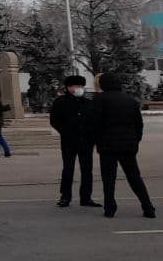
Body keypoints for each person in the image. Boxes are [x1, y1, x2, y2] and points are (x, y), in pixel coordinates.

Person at [92, 73, 155, 218]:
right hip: (128, 145)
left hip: (107, 145)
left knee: (108, 178)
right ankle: (148, 206)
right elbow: (139, 124)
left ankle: (110, 208)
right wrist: (135, 140)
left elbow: (93, 122)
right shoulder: (130, 100)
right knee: (134, 176)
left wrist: (96, 140)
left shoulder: (100, 99)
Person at [50, 75, 98, 208]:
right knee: (68, 169)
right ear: (69, 87)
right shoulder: (60, 102)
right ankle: (65, 196)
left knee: (87, 170)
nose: (80, 89)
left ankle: (86, 197)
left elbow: (93, 120)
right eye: (77, 86)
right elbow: (54, 120)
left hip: (86, 141)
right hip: (69, 141)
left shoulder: (87, 102)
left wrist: (91, 135)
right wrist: (65, 132)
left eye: (81, 86)